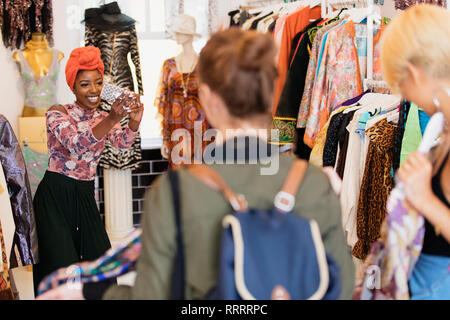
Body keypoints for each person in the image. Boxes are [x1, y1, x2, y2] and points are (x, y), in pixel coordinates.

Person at [37, 29, 354, 300]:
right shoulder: (316, 183)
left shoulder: (175, 191)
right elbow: (344, 286)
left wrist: (87, 292)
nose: (92, 90)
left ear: (208, 98)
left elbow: (150, 294)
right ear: (271, 92)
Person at [32, 46, 144, 295]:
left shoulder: (103, 115)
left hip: (84, 196)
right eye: (85, 84)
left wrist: (134, 120)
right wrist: (112, 119)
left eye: (98, 83)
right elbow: (75, 145)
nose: (93, 90)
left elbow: (123, 144)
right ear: (73, 86)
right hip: (55, 197)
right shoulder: (57, 112)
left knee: (101, 263)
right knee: (63, 266)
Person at [381, 4, 450, 299]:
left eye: (399, 83)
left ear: (414, 73)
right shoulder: (443, 130)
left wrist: (425, 199)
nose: (403, 94)